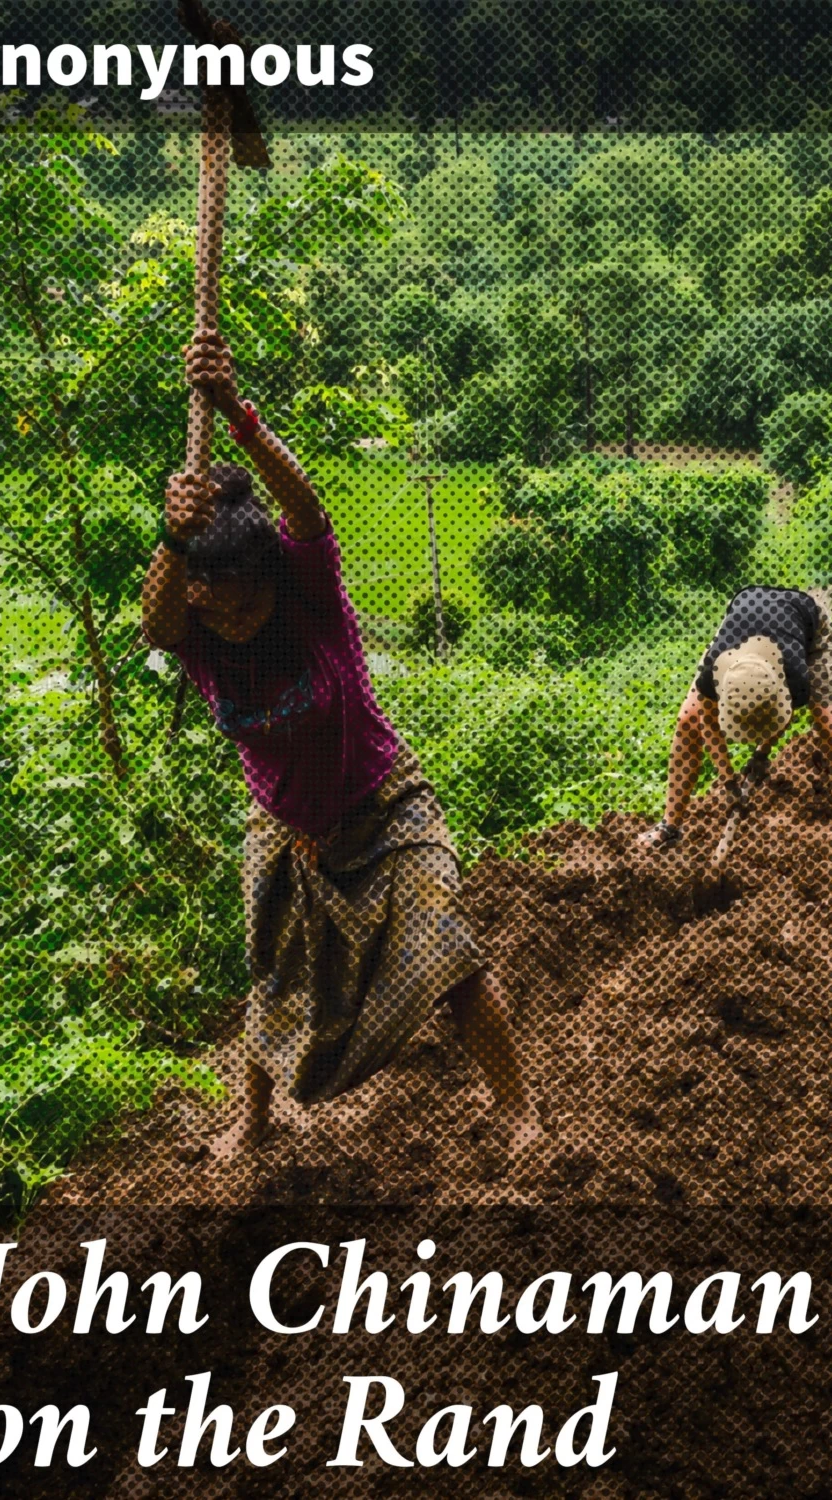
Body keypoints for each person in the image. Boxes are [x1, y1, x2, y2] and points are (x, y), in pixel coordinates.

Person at [142, 331, 539, 1155]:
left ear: (271, 578)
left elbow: (308, 509)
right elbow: (155, 619)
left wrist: (238, 416)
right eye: (216, 609)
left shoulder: (312, 592)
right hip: (285, 828)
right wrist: (173, 538)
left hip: (383, 804)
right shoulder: (194, 629)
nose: (236, 622)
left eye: (248, 603)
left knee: (449, 948)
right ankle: (248, 1124)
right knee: (272, 976)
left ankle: (519, 1113)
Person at [640, 585, 832, 868]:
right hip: (741, 633)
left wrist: (760, 755)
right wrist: (729, 782)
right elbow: (706, 720)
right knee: (686, 721)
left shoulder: (795, 675)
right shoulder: (714, 669)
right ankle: (670, 826)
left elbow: (783, 713)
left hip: (807, 627)